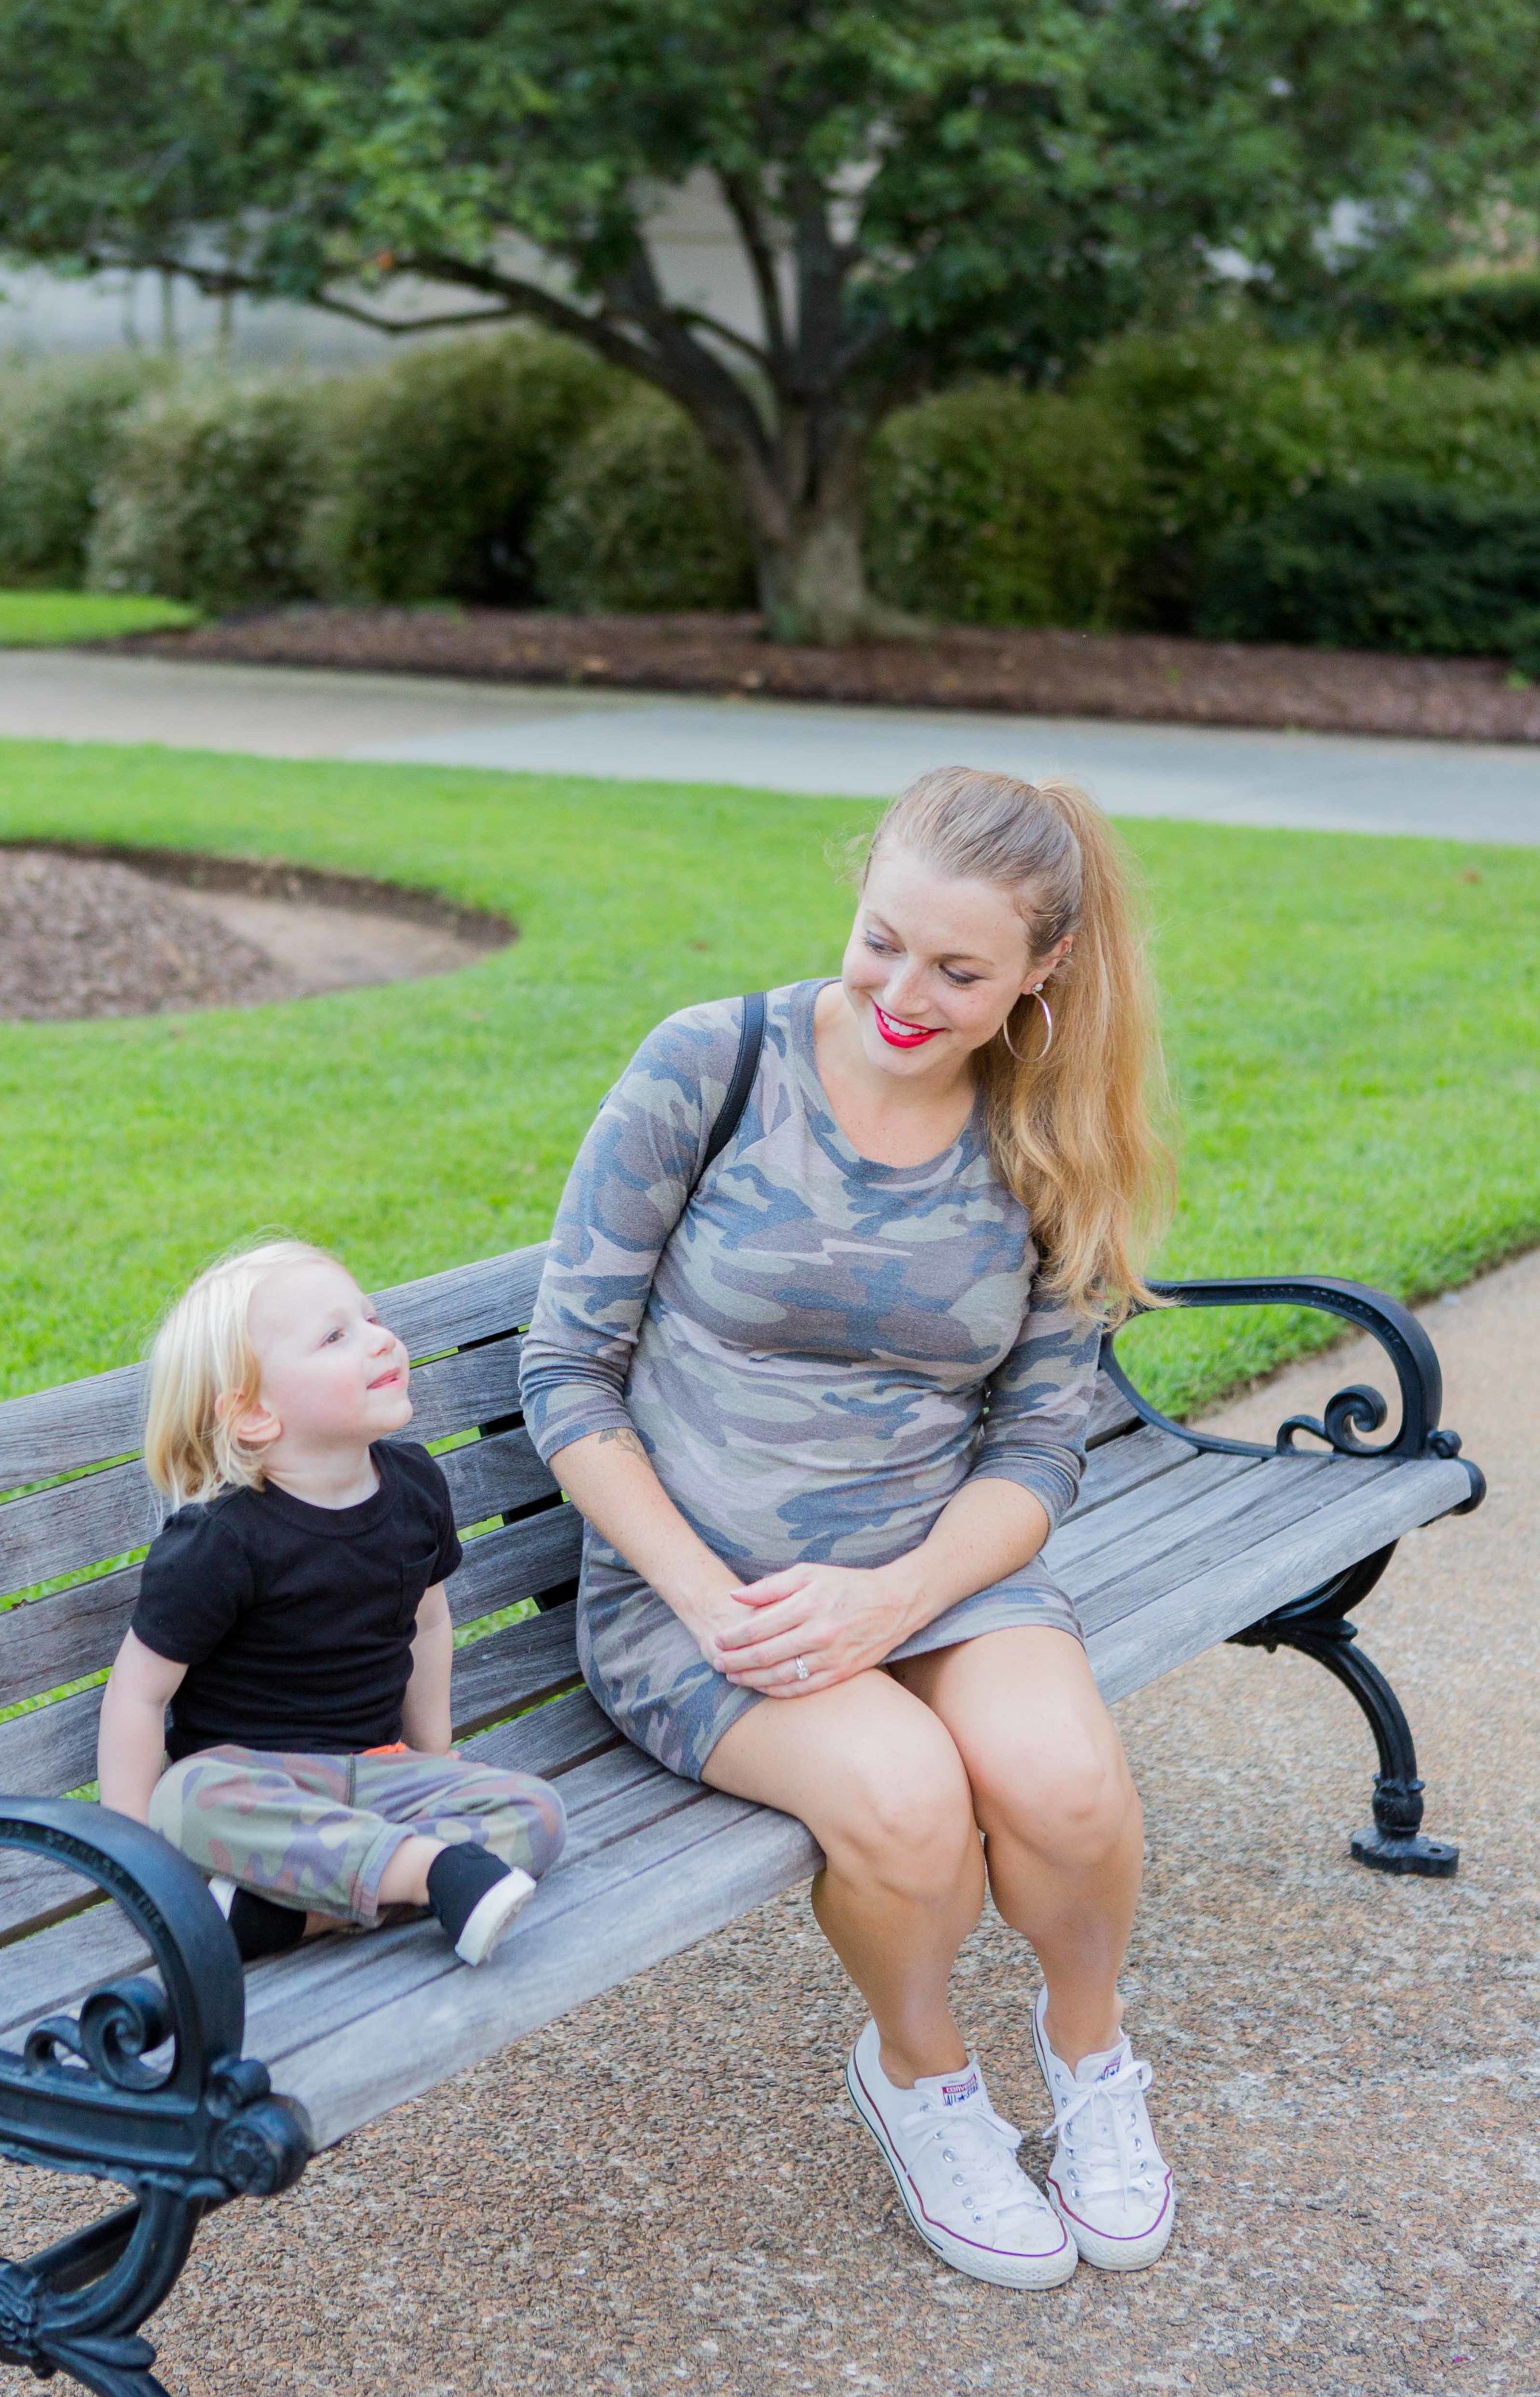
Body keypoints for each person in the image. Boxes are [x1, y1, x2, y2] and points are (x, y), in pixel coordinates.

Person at [520, 767, 1175, 2290]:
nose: (898, 990)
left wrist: (895, 1598)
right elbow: (565, 1371)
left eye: (956, 971)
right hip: (698, 1601)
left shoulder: (1048, 1136)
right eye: (880, 940)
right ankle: (924, 2079)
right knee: (901, 1809)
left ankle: (1088, 2068)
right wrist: (699, 1594)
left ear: (1042, 970)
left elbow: (1035, 1446)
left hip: (932, 1576)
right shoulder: (713, 1064)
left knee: (1065, 1788)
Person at [99, 1238, 566, 1970]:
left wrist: (435, 1754)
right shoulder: (219, 1541)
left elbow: (428, 1619)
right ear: (254, 1416)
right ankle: (430, 1873)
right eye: (335, 1336)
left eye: (371, 1318)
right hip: (260, 1789)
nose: (381, 1339)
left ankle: (281, 1918)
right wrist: (133, 1858)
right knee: (185, 1796)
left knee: (536, 1814)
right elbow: (136, 1694)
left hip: (377, 1777)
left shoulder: (413, 1487)